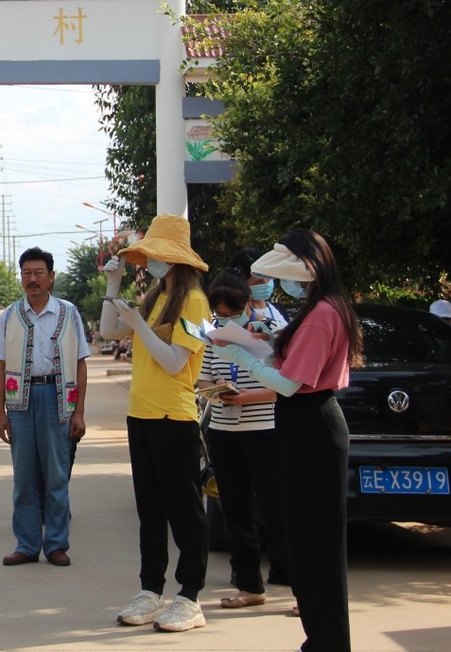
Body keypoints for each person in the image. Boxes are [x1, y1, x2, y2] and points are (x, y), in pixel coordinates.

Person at [212, 230, 362, 652]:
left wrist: (239, 354)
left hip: (310, 423)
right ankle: (321, 639)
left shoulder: (322, 314)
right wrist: (254, 343)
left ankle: (327, 642)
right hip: (307, 423)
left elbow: (291, 383)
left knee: (317, 545)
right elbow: (288, 363)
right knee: (311, 542)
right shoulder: (324, 308)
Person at [99, 214, 210, 633]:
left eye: (157, 256)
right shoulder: (155, 298)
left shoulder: (195, 303)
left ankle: (190, 596)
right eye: (147, 257)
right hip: (141, 414)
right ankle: (151, 590)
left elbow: (174, 362)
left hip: (174, 417)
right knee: (150, 510)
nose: (149, 263)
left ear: (175, 259)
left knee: (184, 510)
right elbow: (109, 331)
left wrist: (140, 325)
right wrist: (114, 285)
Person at [0, 247, 89, 568]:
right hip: (20, 402)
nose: (32, 279)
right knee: (24, 478)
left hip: (57, 399)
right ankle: (27, 544)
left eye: (38, 273)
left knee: (56, 475)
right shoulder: (9, 315)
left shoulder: (69, 313)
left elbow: (80, 364)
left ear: (51, 277)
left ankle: (56, 544)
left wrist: (80, 412)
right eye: (26, 273)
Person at [199, 272, 290, 610]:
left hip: (264, 429)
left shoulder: (269, 333)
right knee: (235, 510)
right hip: (224, 430)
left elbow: (286, 384)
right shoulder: (214, 337)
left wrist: (249, 396)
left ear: (247, 304)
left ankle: (294, 579)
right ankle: (249, 583)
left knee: (275, 506)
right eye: (219, 315)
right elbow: (204, 378)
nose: (225, 320)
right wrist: (215, 391)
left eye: (231, 313)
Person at [228, 248, 288, 331]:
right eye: (258, 282)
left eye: (268, 277)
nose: (265, 283)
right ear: (242, 285)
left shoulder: (279, 310)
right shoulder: (235, 317)